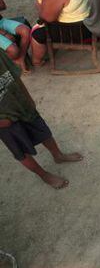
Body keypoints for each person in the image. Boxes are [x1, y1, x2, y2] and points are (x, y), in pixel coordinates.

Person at [0, 50, 82, 189]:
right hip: (4, 121)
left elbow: (15, 76)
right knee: (20, 150)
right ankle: (43, 175)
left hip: (20, 103)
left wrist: (28, 97)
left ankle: (58, 155)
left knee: (43, 131)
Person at [31, 0, 91, 66]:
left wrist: (39, 6)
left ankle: (37, 61)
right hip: (87, 22)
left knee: (37, 33)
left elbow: (48, 18)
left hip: (78, 31)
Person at [0, 0, 31, 74]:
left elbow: (3, 6)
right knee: (14, 51)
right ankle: (13, 62)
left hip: (1, 21)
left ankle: (21, 58)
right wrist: (5, 33)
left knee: (26, 31)